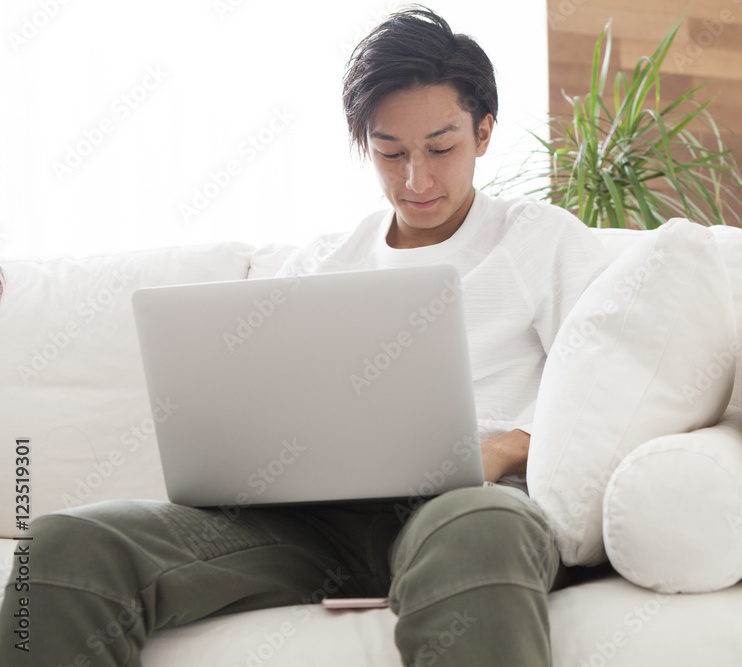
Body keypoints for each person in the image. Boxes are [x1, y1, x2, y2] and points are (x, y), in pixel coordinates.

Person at [0, 6, 611, 666]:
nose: (416, 180)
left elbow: (615, 393)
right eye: (390, 152)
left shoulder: (544, 242)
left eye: (440, 148)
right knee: (66, 544)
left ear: (484, 133)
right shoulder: (322, 263)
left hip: (459, 511)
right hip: (305, 525)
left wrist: (509, 446)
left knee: (480, 528)